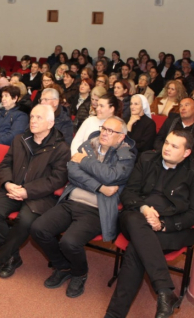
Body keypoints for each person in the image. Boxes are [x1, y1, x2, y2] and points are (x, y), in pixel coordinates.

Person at [31, 116, 136, 298]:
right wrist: (99, 187)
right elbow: (72, 171)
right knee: (38, 228)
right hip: (72, 201)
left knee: (69, 242)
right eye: (104, 128)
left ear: (121, 137)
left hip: (96, 210)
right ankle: (63, 267)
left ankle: (79, 273)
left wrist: (85, 162)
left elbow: (111, 176)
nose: (104, 133)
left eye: (111, 131)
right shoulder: (89, 144)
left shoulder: (126, 155)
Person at [105, 130, 194, 318]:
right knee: (137, 222)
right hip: (136, 216)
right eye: (167, 142)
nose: (167, 148)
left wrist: (164, 224)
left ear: (186, 153)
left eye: (174, 146)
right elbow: (128, 193)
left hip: (168, 229)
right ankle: (164, 289)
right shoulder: (147, 159)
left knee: (137, 249)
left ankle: (114, 315)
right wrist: (144, 208)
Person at [0, 104, 70, 280]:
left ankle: (0, 259)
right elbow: (5, 164)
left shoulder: (61, 149)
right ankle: (13, 257)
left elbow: (57, 180)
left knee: (25, 220)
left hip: (40, 196)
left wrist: (27, 191)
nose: (33, 121)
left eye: (39, 118)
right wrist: (7, 183)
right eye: (32, 117)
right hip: (13, 189)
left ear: (50, 123)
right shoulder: (20, 139)